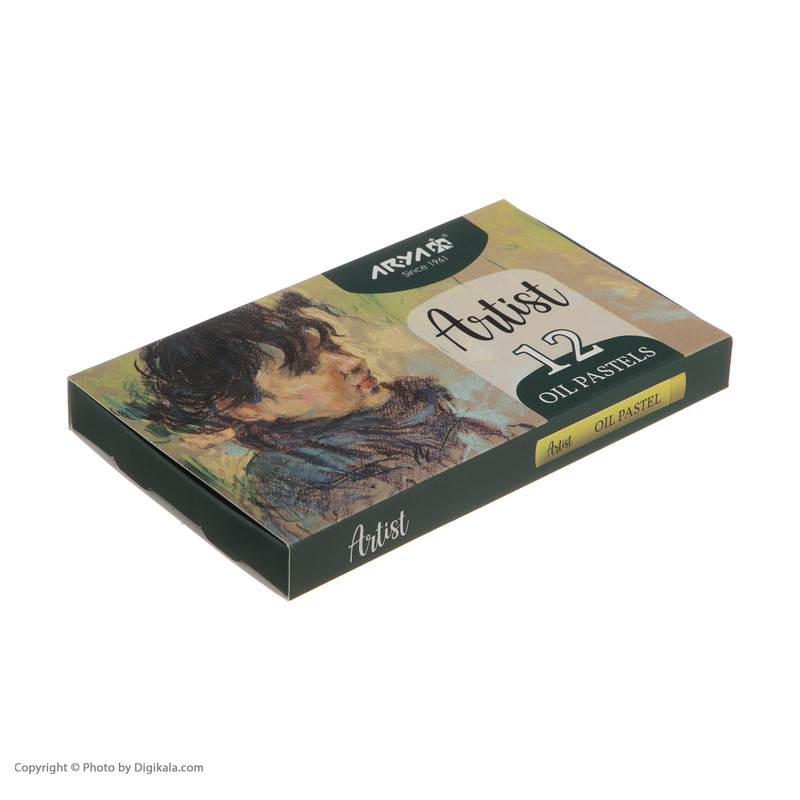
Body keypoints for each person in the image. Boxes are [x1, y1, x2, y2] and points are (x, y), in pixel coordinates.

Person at [134, 292, 506, 540]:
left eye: (332, 346)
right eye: (308, 365)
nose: (353, 360)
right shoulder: (293, 481)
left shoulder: (416, 401)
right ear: (248, 407)